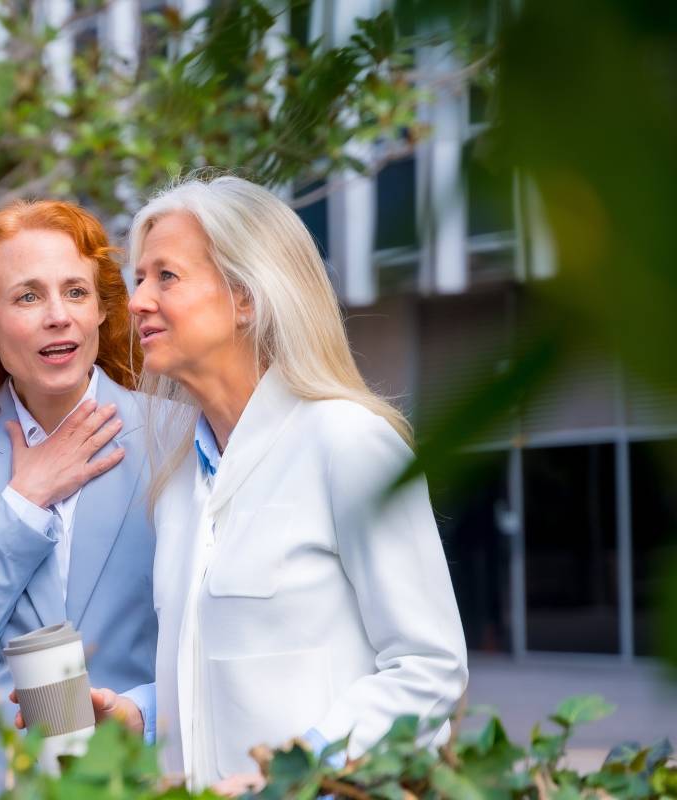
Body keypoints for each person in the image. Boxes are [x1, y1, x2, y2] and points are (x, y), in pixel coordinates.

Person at [121, 174, 468, 790]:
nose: (139, 300)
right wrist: (145, 714)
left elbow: (428, 670)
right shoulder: (178, 484)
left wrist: (294, 775)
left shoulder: (348, 443)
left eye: (165, 277)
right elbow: (232, 666)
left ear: (246, 297)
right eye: (139, 279)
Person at [0, 200, 158, 799]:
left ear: (102, 308)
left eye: (75, 292)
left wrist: (141, 710)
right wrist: (25, 501)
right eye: (26, 296)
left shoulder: (175, 436)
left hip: (137, 773)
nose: (57, 317)